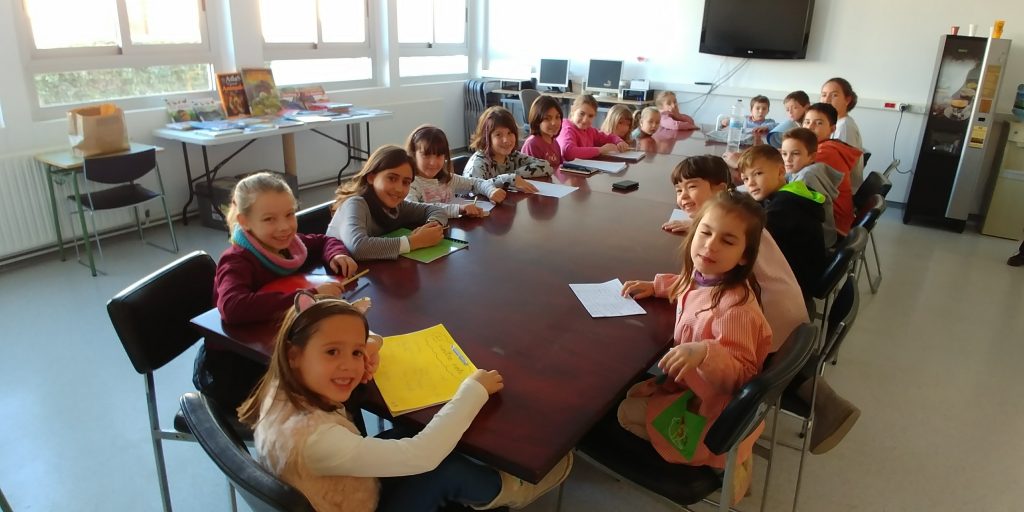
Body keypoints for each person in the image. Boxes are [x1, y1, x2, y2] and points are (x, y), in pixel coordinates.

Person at [237, 292, 573, 512]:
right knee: (442, 470)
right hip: (352, 501)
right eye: (332, 352)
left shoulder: (281, 381)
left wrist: (365, 349)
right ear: (295, 355)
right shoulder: (319, 442)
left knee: (408, 432)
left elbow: (365, 336)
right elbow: (422, 455)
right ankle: (513, 490)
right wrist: (473, 390)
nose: (349, 365)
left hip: (330, 487)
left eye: (354, 352)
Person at [648, 155, 859, 454]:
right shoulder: (739, 219)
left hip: (772, 311)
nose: (683, 196)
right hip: (785, 303)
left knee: (769, 360)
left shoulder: (739, 233)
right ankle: (826, 403)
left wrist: (699, 230)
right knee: (777, 357)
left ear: (721, 190)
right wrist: (695, 228)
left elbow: (716, 278)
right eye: (679, 189)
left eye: (692, 187)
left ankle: (828, 405)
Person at [619, 190, 771, 504]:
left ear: (745, 255)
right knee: (634, 391)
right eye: (705, 232)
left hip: (710, 410)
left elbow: (743, 375)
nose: (710, 245)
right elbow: (690, 284)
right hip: (691, 386)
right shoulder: (712, 276)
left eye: (727, 241)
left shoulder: (735, 310)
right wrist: (657, 286)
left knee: (624, 412)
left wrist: (704, 352)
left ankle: (723, 460)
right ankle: (730, 454)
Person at [196, 172, 359, 410]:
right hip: (240, 365)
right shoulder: (237, 260)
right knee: (331, 381)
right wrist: (308, 296)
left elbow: (324, 241)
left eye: (289, 215)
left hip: (282, 346)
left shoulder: (289, 246)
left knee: (341, 369)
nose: (284, 227)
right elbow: (233, 307)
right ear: (244, 221)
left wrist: (337, 254)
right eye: (269, 219)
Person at [326, 145, 449, 261]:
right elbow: (358, 247)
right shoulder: (355, 203)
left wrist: (431, 226)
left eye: (405, 182)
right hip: (336, 274)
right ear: (371, 177)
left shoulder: (398, 206)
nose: (399, 189)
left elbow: (436, 210)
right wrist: (415, 241)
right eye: (392, 178)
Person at [737, 145, 827, 297]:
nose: (750, 183)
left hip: (795, 285)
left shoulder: (784, 206)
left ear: (780, 171)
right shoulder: (793, 191)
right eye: (745, 178)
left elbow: (751, 240)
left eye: (757, 173)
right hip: (802, 273)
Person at [405, 125, 508, 218]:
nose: (433, 162)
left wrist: (491, 191)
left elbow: (476, 183)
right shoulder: (409, 184)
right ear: (413, 154)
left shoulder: (448, 179)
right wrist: (458, 209)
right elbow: (415, 208)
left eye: (439, 155)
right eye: (426, 155)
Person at [781, 127, 851, 245]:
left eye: (795, 154)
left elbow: (789, 215)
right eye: (784, 153)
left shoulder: (806, 178)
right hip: (826, 236)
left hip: (818, 243)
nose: (788, 159)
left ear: (812, 157)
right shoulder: (811, 168)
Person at [803, 102, 863, 234]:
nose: (810, 127)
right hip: (833, 217)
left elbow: (791, 174)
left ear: (832, 129)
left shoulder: (825, 152)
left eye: (818, 123)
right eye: (807, 122)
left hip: (833, 226)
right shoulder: (826, 146)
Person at [463, 106, 549, 190]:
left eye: (509, 133)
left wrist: (515, 175)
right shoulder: (477, 163)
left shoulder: (513, 156)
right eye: (498, 135)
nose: (506, 140)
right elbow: (473, 188)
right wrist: (509, 179)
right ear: (486, 138)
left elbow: (546, 166)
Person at [821, 77, 865, 190]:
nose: (827, 100)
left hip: (840, 191)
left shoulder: (844, 126)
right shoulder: (836, 123)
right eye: (824, 95)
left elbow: (838, 168)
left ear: (847, 100)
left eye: (834, 95)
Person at [556, 95, 629, 161]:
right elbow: (568, 152)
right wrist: (600, 150)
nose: (585, 120)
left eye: (590, 116)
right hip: (567, 170)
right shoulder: (566, 128)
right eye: (581, 114)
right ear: (572, 110)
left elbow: (608, 137)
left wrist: (619, 141)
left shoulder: (589, 130)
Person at [520, 95, 564, 169]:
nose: (554, 123)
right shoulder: (532, 145)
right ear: (537, 121)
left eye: (557, 117)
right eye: (547, 118)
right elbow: (532, 173)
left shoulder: (555, 143)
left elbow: (560, 169)